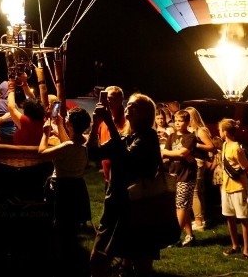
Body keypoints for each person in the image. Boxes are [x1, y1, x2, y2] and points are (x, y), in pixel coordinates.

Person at [89, 93, 163, 277]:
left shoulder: (148, 137)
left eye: (134, 106)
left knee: (141, 265)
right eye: (128, 104)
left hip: (138, 210)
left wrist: (110, 124)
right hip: (115, 208)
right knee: (97, 261)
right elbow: (92, 154)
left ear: (146, 113)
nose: (128, 108)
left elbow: (128, 159)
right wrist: (96, 124)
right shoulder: (123, 138)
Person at [39, 106, 92, 276]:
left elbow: (42, 153)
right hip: (77, 186)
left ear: (70, 123)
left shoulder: (69, 146)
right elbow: (66, 142)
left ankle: (61, 259)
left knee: (60, 224)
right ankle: (71, 255)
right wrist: (60, 126)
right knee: (71, 224)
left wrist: (46, 133)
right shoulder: (83, 142)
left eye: (67, 117)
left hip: (62, 187)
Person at [162, 109, 198, 248]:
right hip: (173, 174)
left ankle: (174, 236)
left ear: (187, 122)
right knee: (184, 206)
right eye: (176, 120)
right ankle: (190, 236)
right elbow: (164, 153)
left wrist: (173, 153)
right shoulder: (171, 137)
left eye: (181, 121)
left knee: (181, 206)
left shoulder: (191, 137)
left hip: (186, 175)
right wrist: (174, 154)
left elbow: (183, 153)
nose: (178, 123)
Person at [218, 118, 248, 259]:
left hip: (238, 188)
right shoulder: (225, 145)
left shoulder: (236, 148)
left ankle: (247, 250)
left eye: (220, 130)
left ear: (225, 132)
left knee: (243, 219)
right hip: (226, 188)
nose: (218, 132)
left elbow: (245, 168)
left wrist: (247, 190)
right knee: (229, 217)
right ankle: (235, 245)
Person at [185, 106, 215, 231]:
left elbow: (211, 146)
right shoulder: (188, 130)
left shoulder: (200, 130)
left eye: (187, 117)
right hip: (192, 162)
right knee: (199, 191)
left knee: (195, 192)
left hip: (198, 162)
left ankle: (198, 222)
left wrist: (195, 144)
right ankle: (202, 218)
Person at [96, 86, 128, 185]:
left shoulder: (127, 120)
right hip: (107, 175)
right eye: (106, 99)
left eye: (111, 99)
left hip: (123, 175)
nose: (108, 102)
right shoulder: (102, 120)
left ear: (120, 100)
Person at [6, 73, 45, 146]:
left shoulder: (26, 121)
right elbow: (34, 100)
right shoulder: (42, 121)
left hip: (22, 156)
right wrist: (24, 83)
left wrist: (11, 87)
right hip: (36, 155)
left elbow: (11, 107)